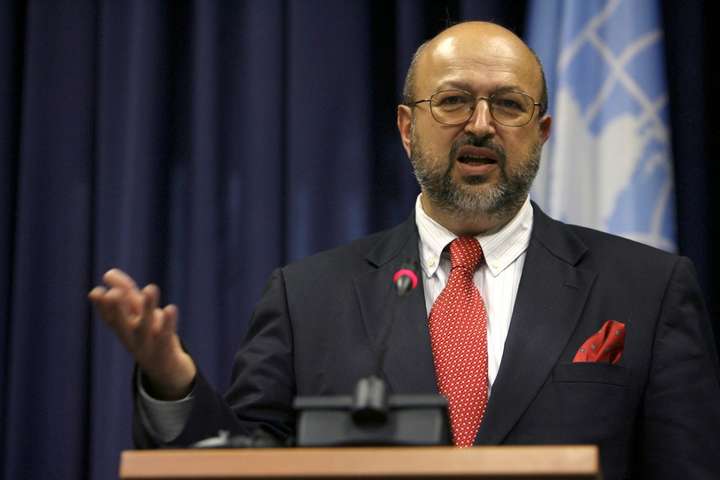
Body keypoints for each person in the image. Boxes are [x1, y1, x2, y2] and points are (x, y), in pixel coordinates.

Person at [89, 21, 720, 479]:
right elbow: (243, 464)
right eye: (453, 101)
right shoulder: (308, 298)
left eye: (508, 105)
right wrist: (172, 381)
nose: (480, 124)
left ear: (542, 132)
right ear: (406, 127)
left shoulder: (647, 289)